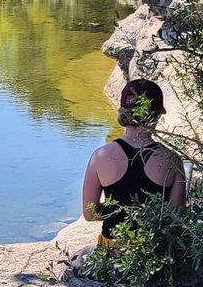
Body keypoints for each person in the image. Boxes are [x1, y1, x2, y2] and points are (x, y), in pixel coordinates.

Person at [63, 79, 187, 277]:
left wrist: (120, 208)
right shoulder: (172, 160)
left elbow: (90, 214)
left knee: (78, 258)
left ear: (122, 112)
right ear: (157, 116)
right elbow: (176, 216)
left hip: (112, 254)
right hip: (153, 257)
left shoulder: (100, 156)